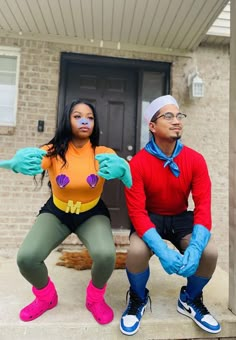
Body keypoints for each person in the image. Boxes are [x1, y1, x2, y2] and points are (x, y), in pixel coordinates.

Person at [1, 99, 132, 325]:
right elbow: (35, 159)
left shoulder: (103, 153)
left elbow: (126, 176)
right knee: (27, 258)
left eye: (90, 117)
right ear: (67, 121)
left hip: (91, 213)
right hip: (58, 212)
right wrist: (16, 162)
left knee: (106, 255)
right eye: (78, 116)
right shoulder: (52, 151)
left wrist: (125, 171)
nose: (84, 121)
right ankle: (46, 297)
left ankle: (95, 299)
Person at [119, 95, 221, 335]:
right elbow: (137, 212)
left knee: (209, 252)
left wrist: (195, 247)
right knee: (135, 251)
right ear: (152, 127)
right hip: (150, 218)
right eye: (168, 116)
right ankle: (137, 298)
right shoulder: (138, 164)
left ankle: (191, 298)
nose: (176, 121)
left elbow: (203, 207)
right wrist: (162, 251)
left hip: (180, 217)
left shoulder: (195, 160)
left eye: (179, 116)